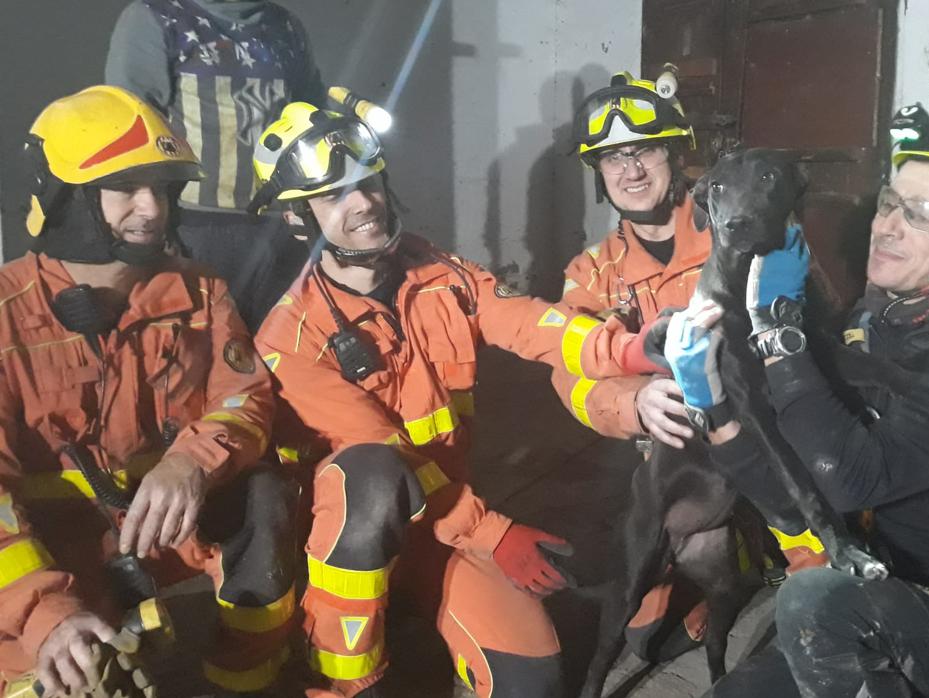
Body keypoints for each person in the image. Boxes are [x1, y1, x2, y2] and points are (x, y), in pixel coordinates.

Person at [661, 105, 929, 696]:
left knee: (812, 597)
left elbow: (848, 480)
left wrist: (778, 331)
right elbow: (799, 501)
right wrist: (714, 407)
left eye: (922, 214)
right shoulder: (875, 323)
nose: (888, 227)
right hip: (868, 594)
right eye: (891, 202)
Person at [249, 102, 641, 697]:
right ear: (299, 219)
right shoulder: (291, 337)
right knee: (370, 476)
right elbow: (382, 453)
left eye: (367, 182)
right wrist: (493, 533)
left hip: (441, 531)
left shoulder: (440, 274)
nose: (363, 204)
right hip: (342, 552)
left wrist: (631, 352)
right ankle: (344, 683)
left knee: (530, 682)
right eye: (335, 197)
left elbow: (531, 323)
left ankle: (418, 607)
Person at [1, 86, 296, 696]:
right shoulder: (5, 317)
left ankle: (244, 678)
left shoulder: (201, 291)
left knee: (267, 491)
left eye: (162, 187)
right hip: (44, 562)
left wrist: (192, 459)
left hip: (160, 538)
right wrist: (49, 617)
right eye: (127, 187)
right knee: (75, 682)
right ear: (66, 199)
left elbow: (246, 398)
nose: (152, 208)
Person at [106, 0, 325, 331]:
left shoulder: (284, 25)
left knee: (284, 353)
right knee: (209, 353)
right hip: (196, 226)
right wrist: (152, 225)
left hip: (283, 226)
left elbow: (310, 117)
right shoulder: (157, 17)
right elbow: (129, 130)